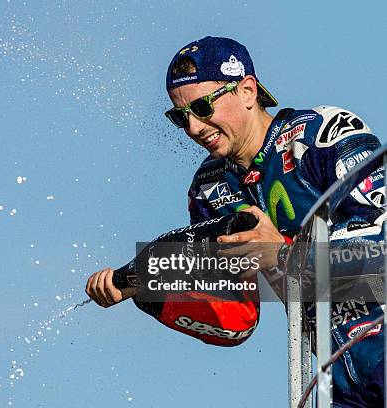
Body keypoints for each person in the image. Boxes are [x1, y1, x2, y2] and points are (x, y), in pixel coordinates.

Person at [85, 36, 385, 407]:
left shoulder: (323, 134)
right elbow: (237, 320)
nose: (193, 128)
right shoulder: (210, 189)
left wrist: (284, 255)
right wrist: (153, 290)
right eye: (181, 116)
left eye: (202, 106)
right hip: (336, 385)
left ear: (247, 90)